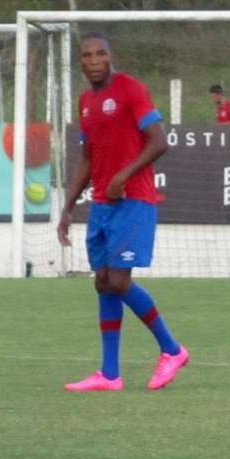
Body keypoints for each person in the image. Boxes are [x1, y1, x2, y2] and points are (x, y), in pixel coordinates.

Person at [59, 33, 189, 392]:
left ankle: (172, 350)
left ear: (110, 57)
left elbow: (159, 140)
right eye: (87, 55)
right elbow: (87, 158)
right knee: (102, 283)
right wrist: (68, 207)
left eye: (101, 53)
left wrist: (123, 175)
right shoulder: (85, 101)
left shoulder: (131, 89)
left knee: (117, 281)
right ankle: (110, 374)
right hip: (101, 203)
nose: (94, 60)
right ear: (81, 62)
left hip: (134, 199)